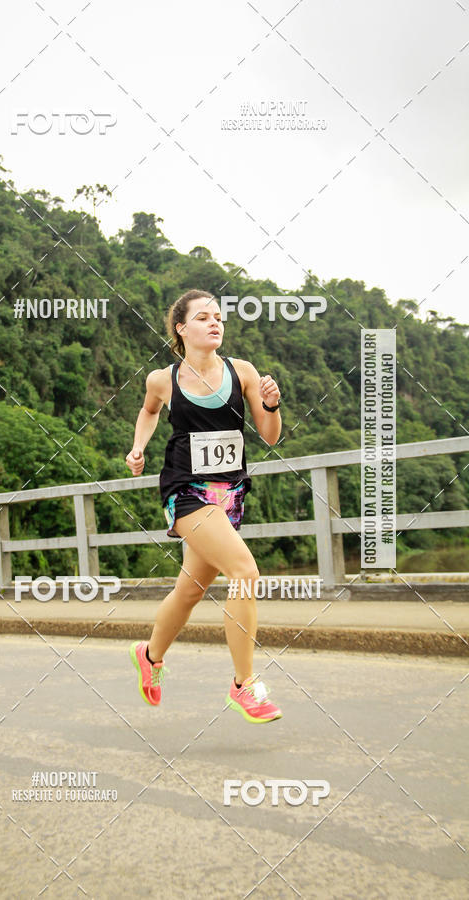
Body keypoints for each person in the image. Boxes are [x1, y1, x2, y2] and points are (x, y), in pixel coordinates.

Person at [125, 288, 283, 723]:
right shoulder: (163, 379)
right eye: (203, 317)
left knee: (190, 590)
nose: (215, 322)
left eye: (218, 317)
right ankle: (244, 686)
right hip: (186, 492)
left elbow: (270, 436)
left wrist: (271, 405)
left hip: (229, 496)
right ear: (181, 328)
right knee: (244, 573)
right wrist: (138, 447)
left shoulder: (242, 372)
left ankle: (149, 656)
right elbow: (149, 411)